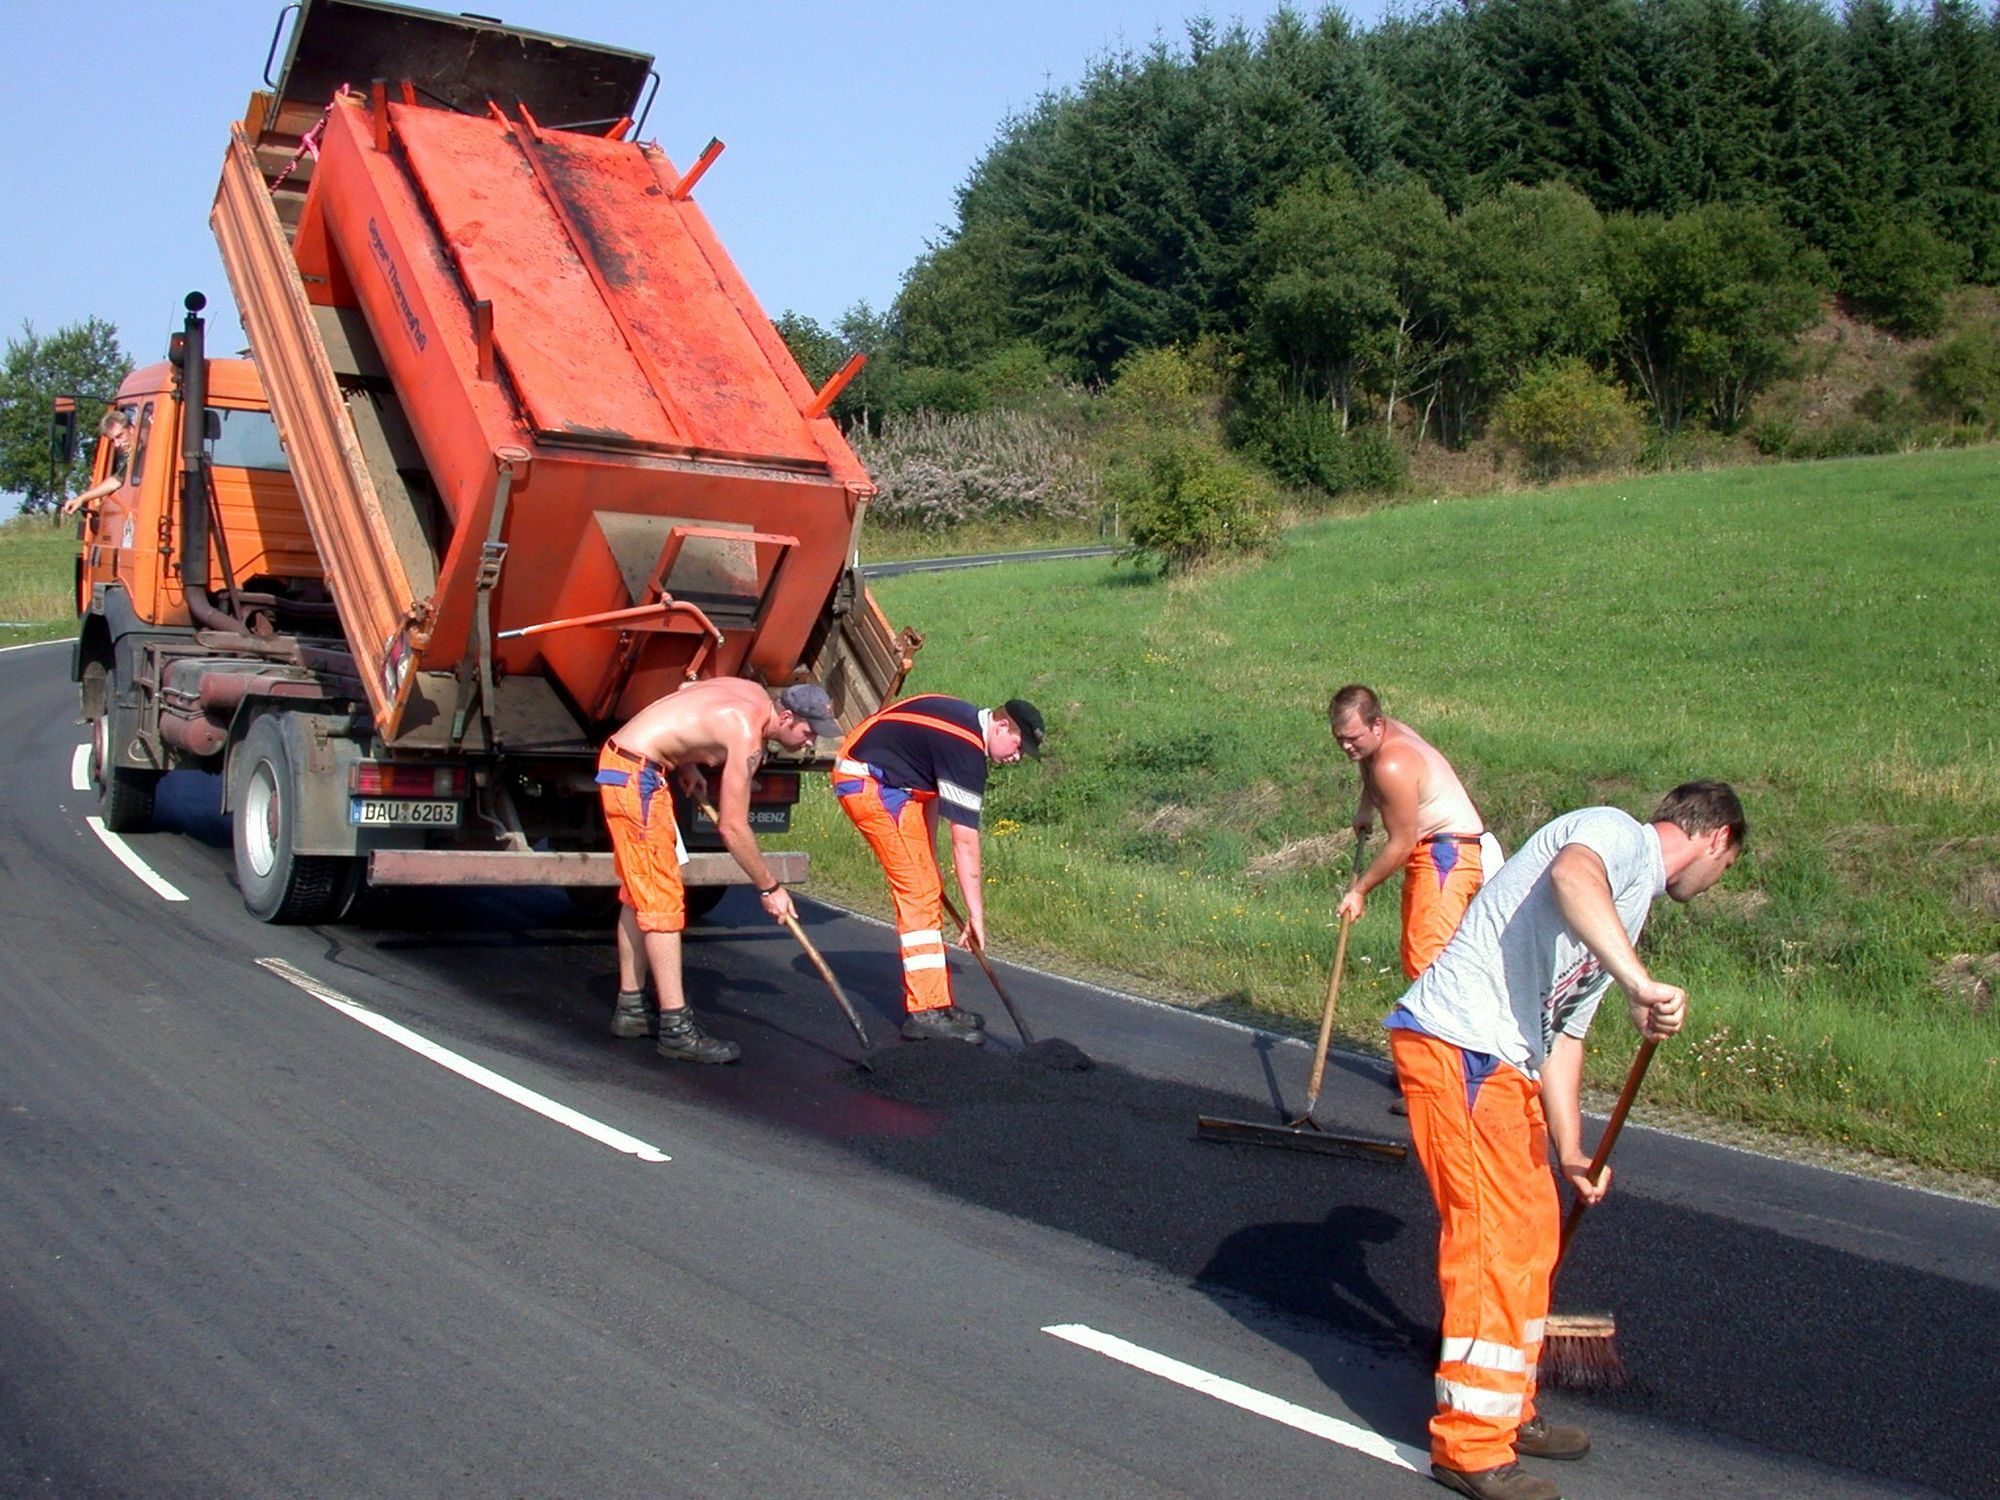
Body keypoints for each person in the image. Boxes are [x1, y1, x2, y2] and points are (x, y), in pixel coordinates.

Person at [1386, 782, 1746, 1500]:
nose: (1718, 879)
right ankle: (1469, 1447)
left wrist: (1572, 1150)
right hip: (1462, 1045)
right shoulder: (1615, 834)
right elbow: (1570, 875)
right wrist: (1639, 984)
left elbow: (1565, 1032)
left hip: (1510, 1062)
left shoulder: (1628, 906)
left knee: (1532, 1236)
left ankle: (1508, 1411)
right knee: (1491, 1245)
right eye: (1728, 865)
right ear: (1717, 838)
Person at [596, 678, 840, 1064]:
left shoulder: (752, 692)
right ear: (787, 718)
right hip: (635, 777)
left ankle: (631, 1009)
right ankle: (676, 1029)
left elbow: (684, 691)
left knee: (639, 893)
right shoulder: (747, 735)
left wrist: (686, 760)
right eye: (808, 732)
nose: (810, 743)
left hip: (632, 765)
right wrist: (769, 887)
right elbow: (732, 827)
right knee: (662, 903)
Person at [831, 693, 1044, 1043]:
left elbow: (928, 791)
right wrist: (976, 915)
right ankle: (925, 1012)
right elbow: (965, 842)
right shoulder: (965, 750)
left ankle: (937, 1002)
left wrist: (929, 859)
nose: (1017, 757)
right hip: (868, 781)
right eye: (1019, 746)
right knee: (918, 892)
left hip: (902, 786)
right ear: (1002, 725)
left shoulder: (963, 726)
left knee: (927, 881)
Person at [1332, 684, 1502, 982]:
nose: (1346, 746)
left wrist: (1359, 891)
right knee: (1420, 955)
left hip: (1446, 855)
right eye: (1339, 738)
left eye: (1353, 738)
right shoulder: (1383, 738)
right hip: (1443, 848)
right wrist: (1366, 807)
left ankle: (1444, 1015)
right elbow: (1367, 760)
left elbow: (1401, 844)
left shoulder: (1393, 764)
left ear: (1376, 724)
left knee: (1428, 963)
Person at [62, 409, 133, 518]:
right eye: (112, 441)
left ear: (131, 429)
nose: (117, 444)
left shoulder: (150, 452)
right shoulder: (135, 458)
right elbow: (115, 481)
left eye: (119, 436)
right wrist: (80, 499)